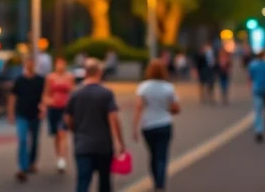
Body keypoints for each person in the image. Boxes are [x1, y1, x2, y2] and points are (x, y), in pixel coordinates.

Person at [65, 58, 125, 192]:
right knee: (105, 182)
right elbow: (113, 119)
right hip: (103, 146)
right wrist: (119, 142)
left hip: (82, 145)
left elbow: (68, 118)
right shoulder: (106, 93)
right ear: (99, 72)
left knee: (83, 181)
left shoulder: (75, 93)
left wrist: (76, 130)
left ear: (85, 73)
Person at [133, 59, 180, 192]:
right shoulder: (168, 87)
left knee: (152, 154)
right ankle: (160, 184)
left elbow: (138, 108)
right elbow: (176, 108)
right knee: (162, 155)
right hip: (164, 123)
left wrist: (135, 128)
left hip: (147, 125)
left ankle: (155, 179)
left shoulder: (143, 87)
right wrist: (167, 108)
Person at [9, 57, 45, 181]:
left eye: (32, 63)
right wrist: (11, 113)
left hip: (35, 114)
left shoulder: (40, 80)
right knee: (23, 140)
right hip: (22, 114)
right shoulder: (19, 80)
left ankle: (32, 162)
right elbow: (13, 97)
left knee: (34, 140)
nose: (30, 65)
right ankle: (22, 167)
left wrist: (43, 108)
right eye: (28, 62)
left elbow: (44, 96)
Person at [43, 57, 74, 174]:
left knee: (62, 132)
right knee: (56, 135)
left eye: (62, 64)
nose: (60, 66)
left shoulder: (69, 77)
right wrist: (45, 104)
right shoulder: (50, 77)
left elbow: (72, 91)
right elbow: (46, 93)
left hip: (65, 108)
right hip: (53, 108)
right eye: (58, 64)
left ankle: (62, 158)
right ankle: (59, 156)